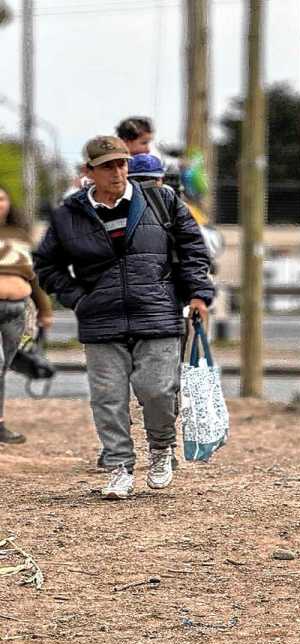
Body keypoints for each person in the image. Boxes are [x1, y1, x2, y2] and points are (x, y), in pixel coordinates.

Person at [33, 136, 214, 499]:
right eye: (107, 166)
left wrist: (198, 292)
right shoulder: (69, 215)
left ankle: (161, 448)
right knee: (108, 398)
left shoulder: (162, 201)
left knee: (158, 390)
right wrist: (78, 299)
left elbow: (193, 249)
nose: (117, 172)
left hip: (156, 311)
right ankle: (119, 466)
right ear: (89, 171)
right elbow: (46, 265)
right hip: (100, 317)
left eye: (122, 164)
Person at [0, 185, 53, 444]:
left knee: (3, 367)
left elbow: (33, 278)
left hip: (16, 310)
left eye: (2, 198)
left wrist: (45, 310)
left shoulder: (20, 235)